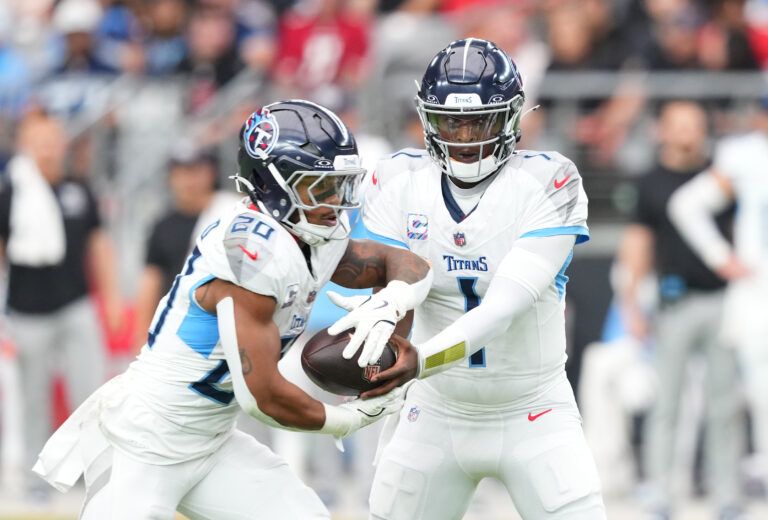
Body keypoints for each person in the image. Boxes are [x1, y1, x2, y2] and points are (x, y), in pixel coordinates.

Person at [32, 99, 433, 519]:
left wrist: (391, 306)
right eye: (320, 186)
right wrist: (348, 419)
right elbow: (263, 398)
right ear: (272, 183)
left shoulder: (313, 236)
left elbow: (405, 265)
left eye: (339, 184)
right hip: (147, 442)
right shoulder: (252, 250)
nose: (335, 200)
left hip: (213, 440)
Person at [338, 38, 606, 519]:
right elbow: (389, 279)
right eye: (451, 121)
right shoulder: (398, 179)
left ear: (512, 117)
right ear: (426, 118)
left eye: (479, 120)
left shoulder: (550, 180)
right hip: (434, 410)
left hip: (532, 409)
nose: (464, 137)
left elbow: (502, 308)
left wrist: (418, 360)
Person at [616, 101, 745, 520]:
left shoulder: (721, 177)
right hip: (675, 302)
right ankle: (660, 490)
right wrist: (632, 305)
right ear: (662, 131)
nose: (689, 132)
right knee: (666, 402)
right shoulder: (650, 182)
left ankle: (727, 493)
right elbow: (638, 245)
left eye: (695, 124)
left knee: (724, 402)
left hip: (723, 300)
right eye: (680, 125)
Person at [0, 111, 121, 499]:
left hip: (76, 303)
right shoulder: (11, 192)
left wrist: (112, 296)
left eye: (52, 140)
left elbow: (98, 243)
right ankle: (39, 477)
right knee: (32, 395)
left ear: (63, 143)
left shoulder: (78, 189)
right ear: (26, 146)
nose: (47, 149)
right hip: (28, 309)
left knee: (90, 391)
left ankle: (96, 469)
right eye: (39, 141)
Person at [669, 97, 768, 498]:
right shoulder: (745, 156)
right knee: (760, 390)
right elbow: (687, 204)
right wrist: (722, 257)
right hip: (758, 294)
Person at [133, 144, 239, 352]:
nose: (189, 181)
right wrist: (141, 336)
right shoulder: (163, 225)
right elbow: (151, 279)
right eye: (181, 173)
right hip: (180, 326)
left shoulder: (232, 214)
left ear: (211, 173)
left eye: (196, 171)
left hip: (230, 320)